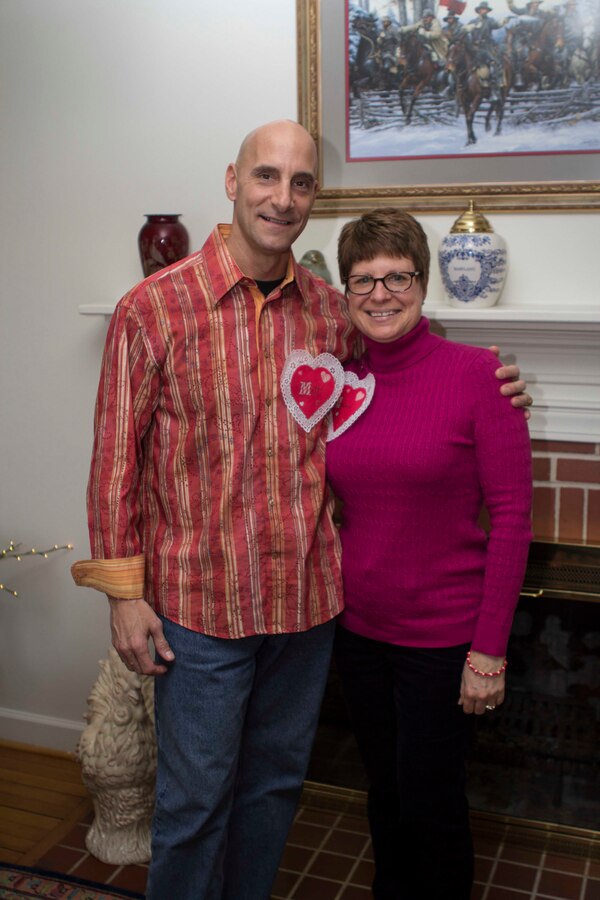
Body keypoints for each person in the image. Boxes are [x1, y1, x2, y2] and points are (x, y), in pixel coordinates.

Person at [71, 121, 531, 900]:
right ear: (232, 180)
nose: (283, 199)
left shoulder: (328, 311)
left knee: (273, 792)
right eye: (266, 177)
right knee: (192, 806)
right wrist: (124, 595)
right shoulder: (153, 308)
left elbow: (402, 356)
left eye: (302, 183)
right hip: (199, 611)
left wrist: (487, 377)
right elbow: (115, 463)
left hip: (308, 610)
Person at [326, 208, 533, 900]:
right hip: (358, 635)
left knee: (432, 806)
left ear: (422, 282)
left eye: (397, 277)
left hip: (443, 643)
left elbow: (512, 519)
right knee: (384, 796)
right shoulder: (338, 385)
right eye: (364, 280)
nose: (380, 295)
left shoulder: (481, 377)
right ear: (346, 290)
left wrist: (488, 652)